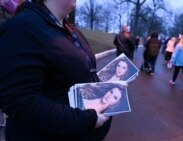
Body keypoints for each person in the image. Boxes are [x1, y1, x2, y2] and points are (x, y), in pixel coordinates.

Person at [0, 1, 112, 141]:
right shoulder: (23, 27)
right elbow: (19, 100)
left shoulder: (72, 31)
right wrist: (86, 120)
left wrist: (105, 86)